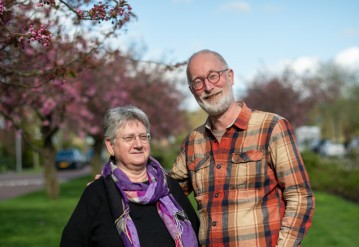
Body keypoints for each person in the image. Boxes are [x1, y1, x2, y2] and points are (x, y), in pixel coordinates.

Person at [169, 49, 315, 246]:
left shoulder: (271, 127)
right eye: (198, 81)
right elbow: (167, 192)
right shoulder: (193, 141)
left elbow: (300, 197)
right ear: (192, 90)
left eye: (214, 76)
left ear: (230, 76)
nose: (208, 87)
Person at [60, 105, 199, 247]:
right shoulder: (98, 192)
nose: (138, 144)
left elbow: (196, 232)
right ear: (110, 145)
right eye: (129, 138)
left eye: (143, 137)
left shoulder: (168, 187)